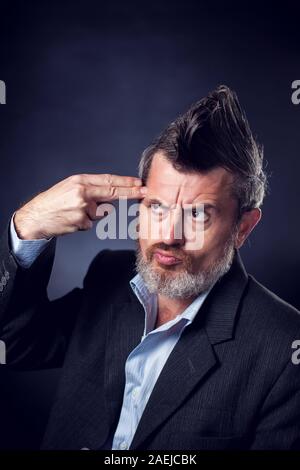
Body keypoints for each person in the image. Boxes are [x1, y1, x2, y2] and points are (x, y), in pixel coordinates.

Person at [0, 85, 299, 450]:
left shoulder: (284, 350)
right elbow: (11, 345)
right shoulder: (109, 276)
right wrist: (30, 225)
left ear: (243, 227)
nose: (169, 235)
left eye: (199, 214)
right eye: (156, 208)